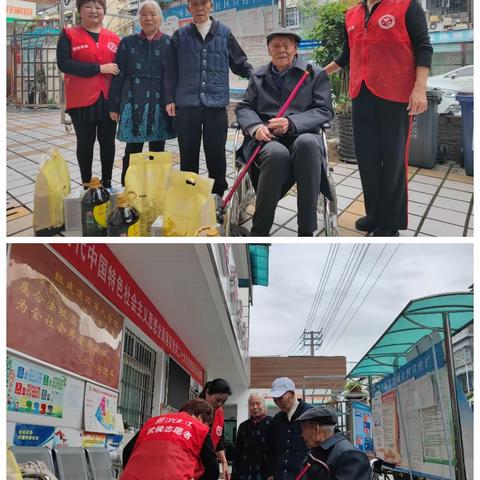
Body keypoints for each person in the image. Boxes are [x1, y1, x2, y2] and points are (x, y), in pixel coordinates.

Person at [323, 0, 433, 237]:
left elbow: (424, 47)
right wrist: (320, 74)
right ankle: (374, 215)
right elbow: (346, 54)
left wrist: (420, 88)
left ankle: (390, 223)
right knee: (367, 158)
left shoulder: (405, 6)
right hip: (361, 94)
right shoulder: (352, 14)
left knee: (393, 159)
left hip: (395, 94)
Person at [236, 28, 333, 237]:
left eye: (286, 46)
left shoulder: (314, 74)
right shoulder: (258, 76)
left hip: (302, 135)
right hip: (267, 140)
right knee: (277, 154)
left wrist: (291, 122)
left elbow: (324, 110)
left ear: (295, 48)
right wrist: (255, 127)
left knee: (308, 144)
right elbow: (245, 107)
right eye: (276, 46)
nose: (281, 50)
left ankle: (306, 230)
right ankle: (259, 231)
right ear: (269, 50)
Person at [164, 0, 253, 197]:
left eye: (203, 3)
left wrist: (257, 78)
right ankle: (189, 196)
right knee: (188, 154)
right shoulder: (179, 36)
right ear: (189, 7)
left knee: (216, 154)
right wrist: (169, 98)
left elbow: (240, 63)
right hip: (186, 105)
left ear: (210, 5)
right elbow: (170, 70)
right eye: (194, 4)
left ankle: (218, 196)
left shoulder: (224, 33)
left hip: (216, 104)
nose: (199, 8)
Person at [108, 0, 175, 186]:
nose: (148, 18)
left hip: (160, 103)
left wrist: (173, 101)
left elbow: (173, 76)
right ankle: (128, 190)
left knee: (157, 152)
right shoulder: (127, 43)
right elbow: (118, 75)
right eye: (144, 14)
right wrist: (114, 106)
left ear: (160, 19)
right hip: (133, 101)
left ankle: (156, 191)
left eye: (153, 14)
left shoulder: (170, 43)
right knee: (132, 151)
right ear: (139, 19)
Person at [57, 0, 120, 189]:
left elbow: (120, 72)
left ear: (104, 11)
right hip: (81, 102)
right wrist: (99, 68)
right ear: (79, 10)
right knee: (85, 144)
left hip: (107, 101)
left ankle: (107, 182)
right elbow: (64, 64)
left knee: (108, 144)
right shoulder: (69, 34)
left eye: (98, 7)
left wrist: (118, 103)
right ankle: (87, 184)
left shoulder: (114, 38)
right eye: (88, 6)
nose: (94, 10)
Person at [121, 399, 219, 480]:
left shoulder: (152, 422)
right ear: (201, 417)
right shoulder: (199, 428)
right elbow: (213, 470)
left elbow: (127, 451)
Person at [294, 406, 372, 480]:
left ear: (316, 429)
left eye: (304, 428)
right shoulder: (315, 451)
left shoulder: (351, 456)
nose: (302, 435)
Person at [266, 377, 313, 480]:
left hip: (303, 476)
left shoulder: (310, 414)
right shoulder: (277, 419)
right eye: (275, 400)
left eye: (281, 398)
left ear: (292, 393)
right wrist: (271, 473)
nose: (278, 403)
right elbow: (272, 448)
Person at [231, 393, 274, 480]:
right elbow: (238, 453)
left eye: (258, 403)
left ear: (264, 405)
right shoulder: (243, 426)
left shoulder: (273, 423)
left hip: (266, 474)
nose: (255, 407)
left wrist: (273, 473)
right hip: (244, 473)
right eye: (251, 404)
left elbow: (277, 451)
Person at [199, 378, 233, 480]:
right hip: (195, 466)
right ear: (207, 393)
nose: (220, 404)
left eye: (223, 402)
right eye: (218, 400)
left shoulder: (219, 412)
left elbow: (218, 441)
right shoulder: (193, 410)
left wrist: (224, 462)